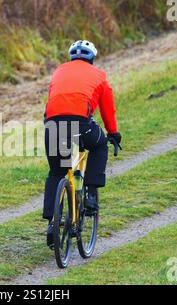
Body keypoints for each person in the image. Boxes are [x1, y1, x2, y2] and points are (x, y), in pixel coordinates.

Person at [43, 40, 121, 247]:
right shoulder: (99, 76)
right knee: (100, 145)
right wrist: (113, 133)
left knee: (57, 172)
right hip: (81, 123)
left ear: (71, 58)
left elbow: (52, 100)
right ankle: (90, 195)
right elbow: (107, 109)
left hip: (53, 124)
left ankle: (52, 222)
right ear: (92, 58)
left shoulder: (59, 71)